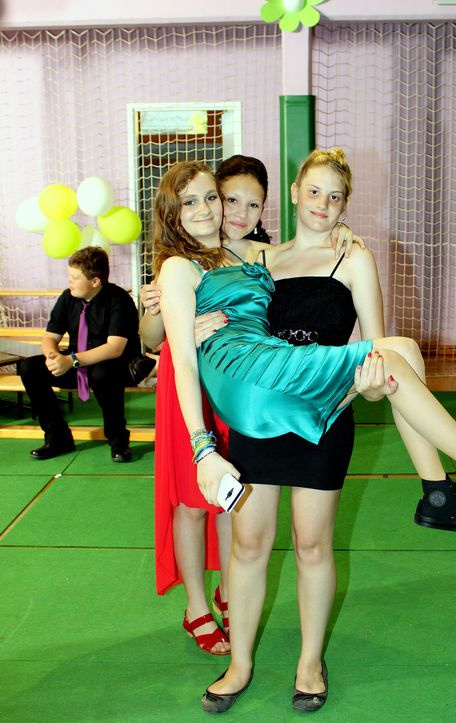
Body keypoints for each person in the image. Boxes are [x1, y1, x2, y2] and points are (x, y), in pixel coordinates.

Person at [152, 151, 456, 712]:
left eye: (335, 197)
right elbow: (160, 325)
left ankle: (311, 660)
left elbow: (378, 370)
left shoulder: (322, 254)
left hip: (320, 400)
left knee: (316, 536)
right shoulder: (250, 257)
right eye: (213, 200)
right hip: (264, 395)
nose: (220, 209)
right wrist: (170, 321)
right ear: (295, 192)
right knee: (249, 546)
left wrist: (375, 381)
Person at [141, 155, 359, 657]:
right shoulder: (179, 258)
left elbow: (308, 253)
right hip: (190, 382)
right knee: (193, 500)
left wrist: (341, 231)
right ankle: (197, 606)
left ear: (265, 209)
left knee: (233, 502)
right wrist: (173, 327)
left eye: (251, 204)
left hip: (247, 387)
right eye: (229, 199)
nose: (237, 212)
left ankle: (229, 589)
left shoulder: (256, 254)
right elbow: (151, 337)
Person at [19, 246, 149, 462]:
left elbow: (114, 348)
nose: (68, 281)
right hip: (78, 361)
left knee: (102, 374)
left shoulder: (119, 299)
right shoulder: (68, 297)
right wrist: (53, 357)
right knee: (30, 368)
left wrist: (71, 360)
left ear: (95, 281)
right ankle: (58, 437)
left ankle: (118, 441)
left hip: (116, 364)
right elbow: (50, 336)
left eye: (74, 277)